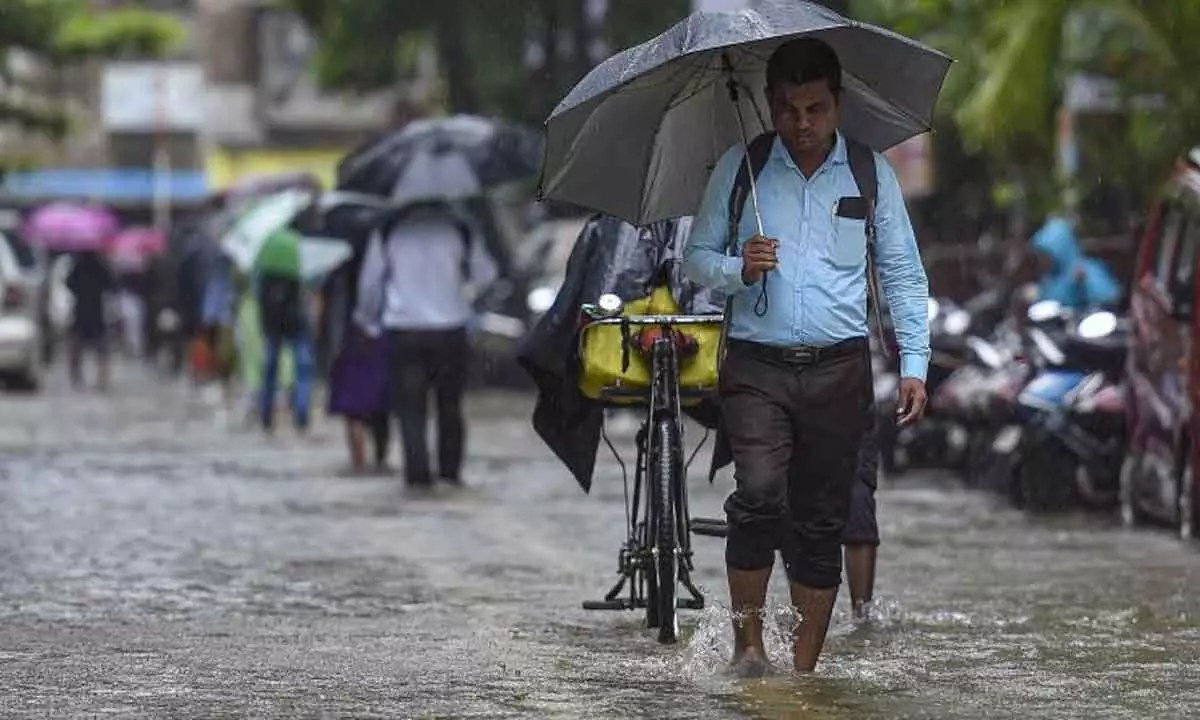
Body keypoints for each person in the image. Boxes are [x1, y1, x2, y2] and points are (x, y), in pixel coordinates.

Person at [683, 37, 930, 674]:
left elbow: (902, 274)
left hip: (840, 369)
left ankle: (801, 675)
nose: (802, 124)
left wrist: (914, 365)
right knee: (760, 495)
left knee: (823, 519)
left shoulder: (871, 174)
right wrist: (741, 267)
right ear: (768, 105)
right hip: (757, 369)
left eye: (815, 109)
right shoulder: (742, 169)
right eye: (789, 110)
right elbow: (698, 259)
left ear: (837, 105)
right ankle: (747, 650)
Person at [354, 200, 498, 490]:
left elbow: (370, 283)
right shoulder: (460, 228)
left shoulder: (389, 230)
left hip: (404, 330)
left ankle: (417, 476)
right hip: (450, 328)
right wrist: (463, 292)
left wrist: (368, 321)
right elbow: (486, 275)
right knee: (450, 405)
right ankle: (449, 473)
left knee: (410, 407)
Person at [255, 228, 315, 433]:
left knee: (270, 368)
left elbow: (259, 298)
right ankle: (301, 411)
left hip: (273, 324)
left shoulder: (264, 266)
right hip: (297, 323)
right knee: (303, 369)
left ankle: (266, 412)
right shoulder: (298, 262)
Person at [1030, 216, 1121, 310]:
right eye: (1040, 255)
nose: (1042, 260)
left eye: (1046, 255)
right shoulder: (1049, 279)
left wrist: (1083, 286)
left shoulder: (1088, 270)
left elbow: (1108, 297)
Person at [842, 406, 881, 620]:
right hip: (779, 388)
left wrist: (914, 373)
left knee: (858, 500)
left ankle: (862, 615)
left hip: (851, 393)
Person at [65, 250, 116, 390]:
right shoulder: (100, 267)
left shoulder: (77, 266)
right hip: (95, 311)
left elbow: (69, 284)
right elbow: (110, 285)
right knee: (99, 347)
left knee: (78, 346)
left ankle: (77, 377)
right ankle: (101, 378)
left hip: (82, 310)